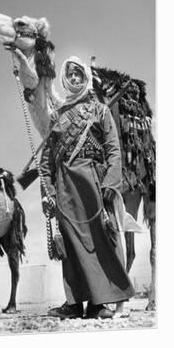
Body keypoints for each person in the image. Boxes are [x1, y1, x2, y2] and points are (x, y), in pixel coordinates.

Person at [40, 56, 135, 319]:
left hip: (93, 183)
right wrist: (47, 192)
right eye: (69, 75)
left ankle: (98, 303)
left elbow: (114, 150)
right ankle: (73, 304)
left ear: (85, 78)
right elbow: (46, 161)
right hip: (64, 188)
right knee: (70, 245)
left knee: (98, 242)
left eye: (78, 74)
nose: (73, 79)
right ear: (64, 79)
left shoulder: (100, 111)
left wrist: (110, 184)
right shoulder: (57, 117)